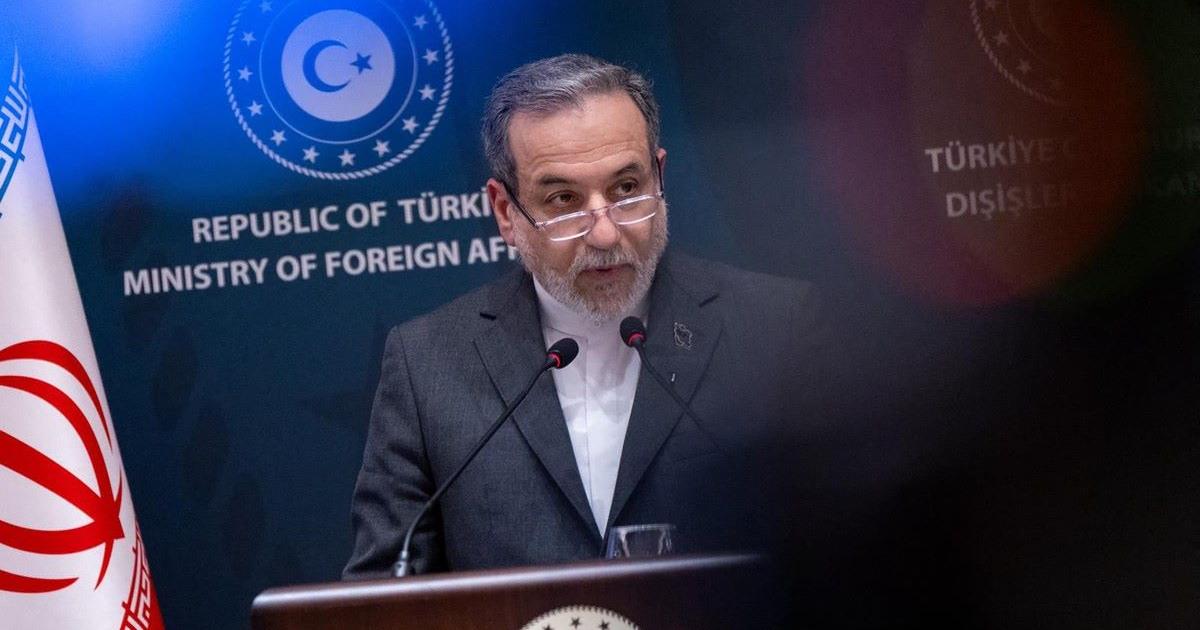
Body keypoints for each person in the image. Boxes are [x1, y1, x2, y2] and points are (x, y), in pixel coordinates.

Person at [343, 54, 825, 578]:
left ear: (660, 176)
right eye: (564, 200)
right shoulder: (428, 364)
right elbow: (383, 593)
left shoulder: (775, 330)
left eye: (626, 189)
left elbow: (841, 558)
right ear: (506, 213)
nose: (605, 233)